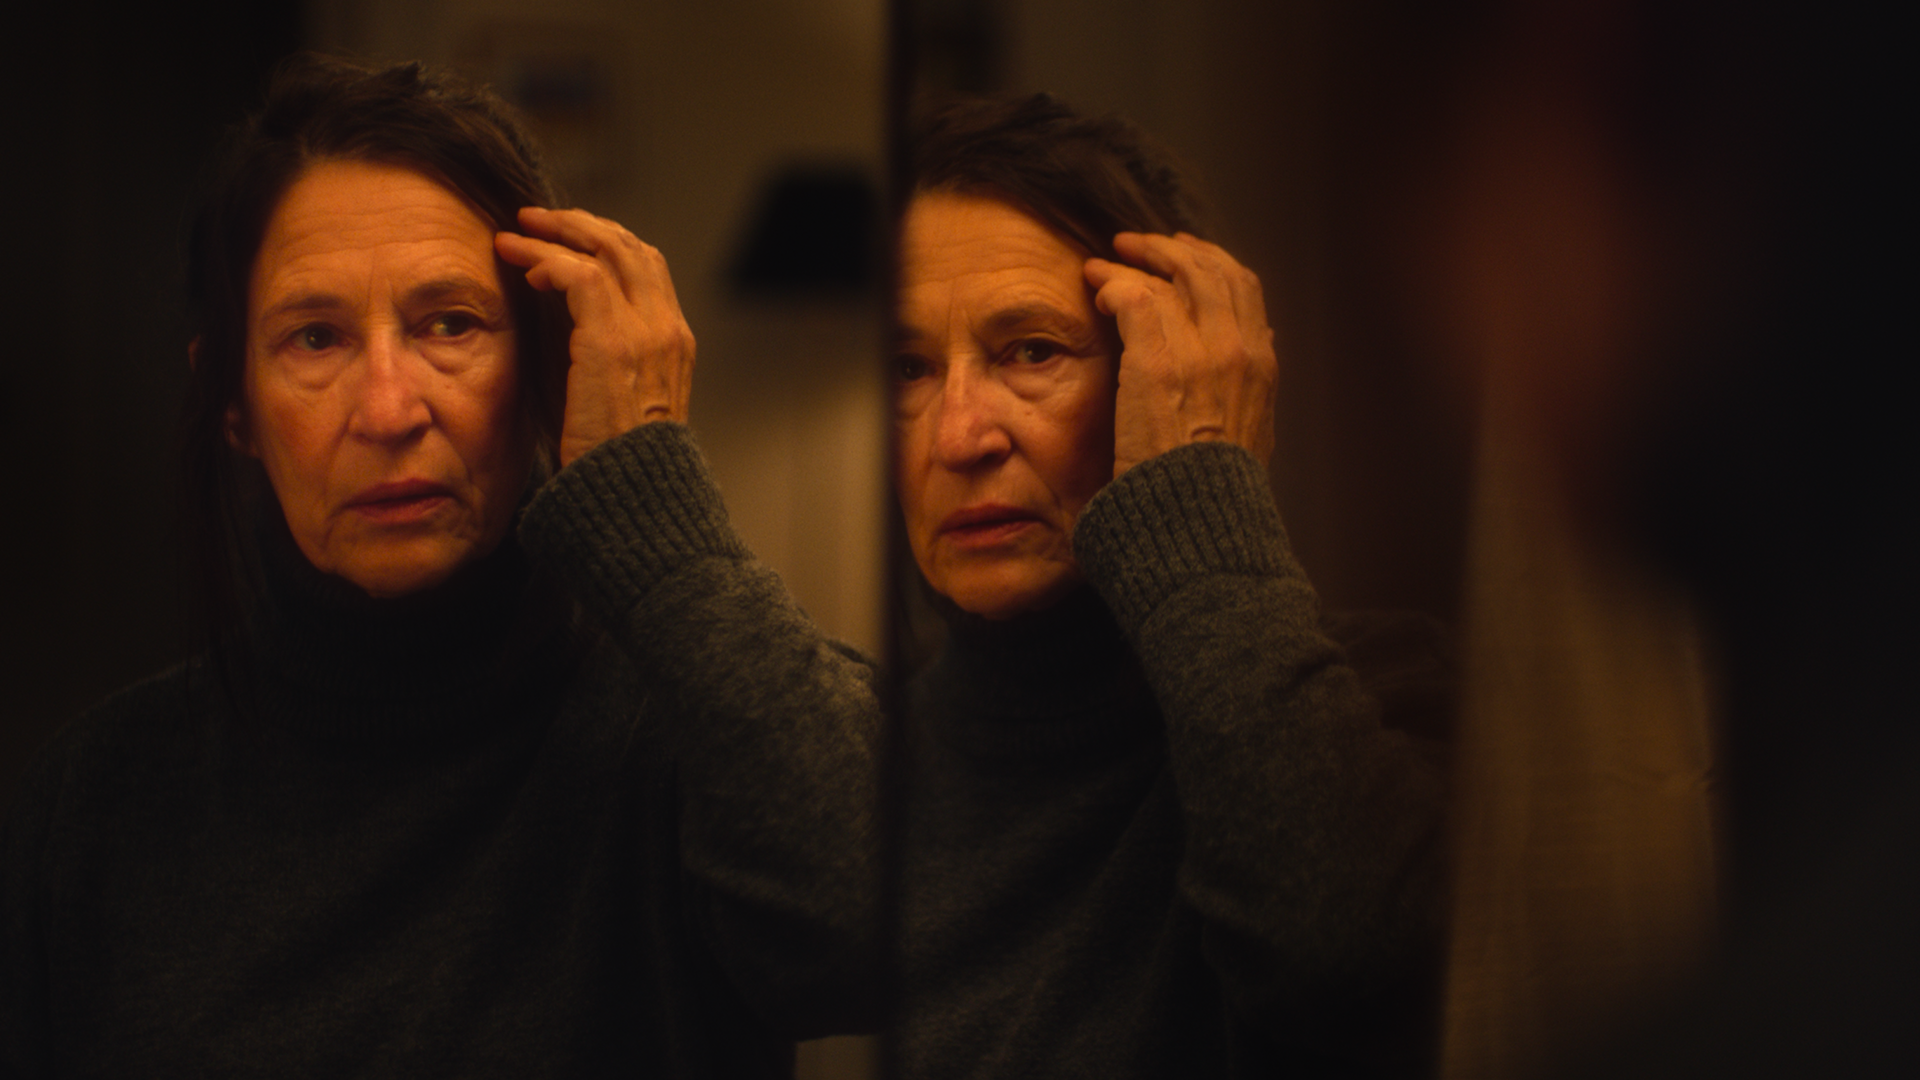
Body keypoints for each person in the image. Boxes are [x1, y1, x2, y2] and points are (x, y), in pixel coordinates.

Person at [0, 55, 878, 1076]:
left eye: (450, 324)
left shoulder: (681, 747)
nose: (388, 410)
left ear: (547, 360)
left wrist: (651, 487)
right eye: (315, 338)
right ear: (233, 404)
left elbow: (886, 934)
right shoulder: (95, 803)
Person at [889, 94, 1450, 1078]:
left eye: (1033, 351)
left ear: (1170, 366)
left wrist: (1197, 486)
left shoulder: (1385, 703)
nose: (958, 436)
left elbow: (1344, 966)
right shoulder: (855, 757)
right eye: (907, 367)